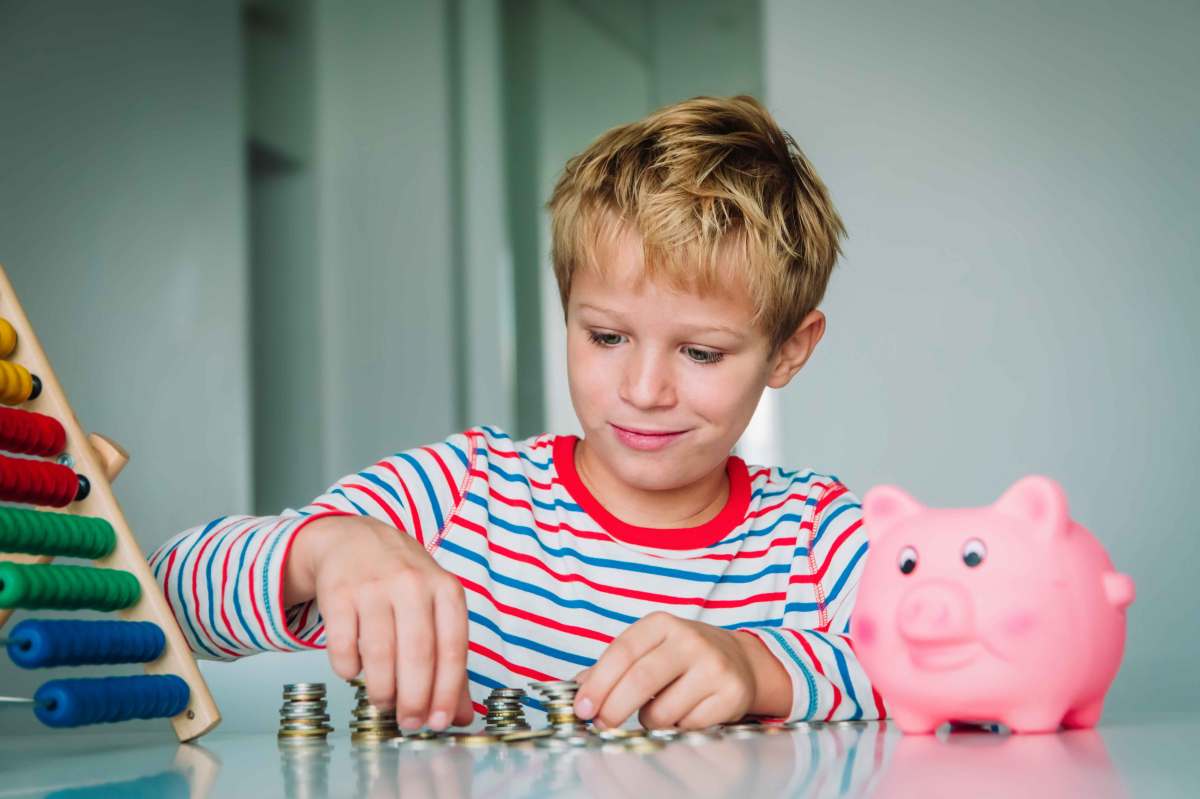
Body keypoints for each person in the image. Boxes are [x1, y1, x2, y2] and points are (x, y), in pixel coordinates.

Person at [150, 95, 884, 734]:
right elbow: (167, 594)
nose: (644, 388)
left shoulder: (814, 538)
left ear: (789, 350)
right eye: (606, 337)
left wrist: (758, 665)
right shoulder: (460, 493)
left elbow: (974, 669)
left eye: (700, 352)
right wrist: (322, 550)